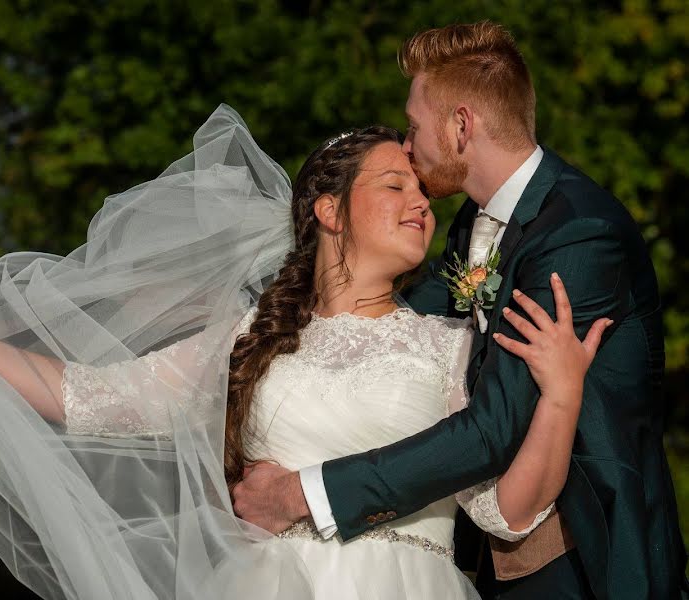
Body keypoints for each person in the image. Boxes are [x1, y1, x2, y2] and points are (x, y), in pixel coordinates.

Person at [0, 106, 603, 599]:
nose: (422, 203)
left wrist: (562, 394)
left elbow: (508, 513)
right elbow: (82, 395)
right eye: (394, 186)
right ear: (328, 210)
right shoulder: (252, 337)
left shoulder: (451, 345)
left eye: (424, 193)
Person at [234, 21, 688, 600]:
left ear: (461, 125)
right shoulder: (477, 225)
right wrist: (264, 320)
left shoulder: (579, 235)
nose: (407, 145)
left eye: (414, 127)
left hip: (584, 560)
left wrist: (305, 495)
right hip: (493, 562)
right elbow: (383, 317)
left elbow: (493, 431)